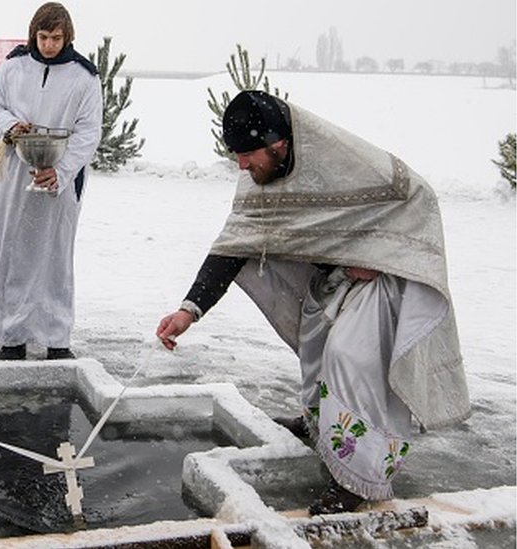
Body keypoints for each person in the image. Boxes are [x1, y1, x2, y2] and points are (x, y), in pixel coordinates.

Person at [156, 90, 470, 515]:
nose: (241, 165)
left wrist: (384, 254)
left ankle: (360, 480)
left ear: (278, 143)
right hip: (332, 279)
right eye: (237, 155)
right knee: (316, 346)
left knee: (350, 359)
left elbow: (417, 198)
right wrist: (189, 309)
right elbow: (234, 244)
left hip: (379, 280)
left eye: (248, 155)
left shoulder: (347, 162)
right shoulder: (258, 178)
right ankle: (320, 425)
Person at [0, 2, 102, 361]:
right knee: (13, 252)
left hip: (60, 181)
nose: (49, 45)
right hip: (15, 174)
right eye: (43, 37)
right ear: (33, 35)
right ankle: (13, 336)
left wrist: (61, 170)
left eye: (56, 38)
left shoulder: (84, 77)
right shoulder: (13, 68)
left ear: (67, 36)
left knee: (54, 258)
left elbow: (89, 132)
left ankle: (57, 338)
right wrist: (10, 126)